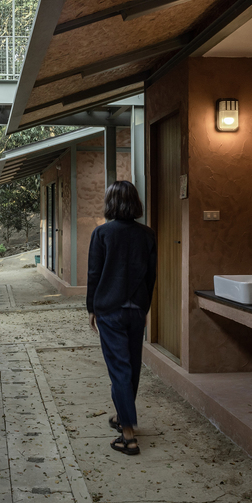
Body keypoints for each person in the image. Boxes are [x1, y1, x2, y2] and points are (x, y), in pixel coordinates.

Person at [87, 180, 156, 456]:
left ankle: (128, 435)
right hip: (136, 309)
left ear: (111, 203)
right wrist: (145, 308)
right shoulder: (147, 235)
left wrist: (91, 308)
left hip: (109, 310)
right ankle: (122, 416)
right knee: (132, 366)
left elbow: (94, 273)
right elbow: (150, 276)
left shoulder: (102, 233)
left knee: (119, 369)